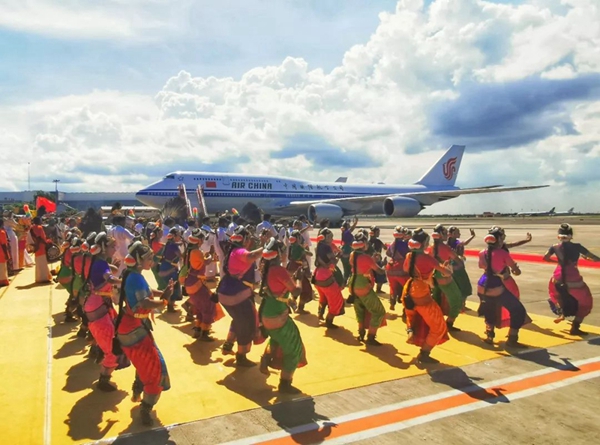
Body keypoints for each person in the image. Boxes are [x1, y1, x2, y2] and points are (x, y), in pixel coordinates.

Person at [116, 241, 173, 426]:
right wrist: (164, 301)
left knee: (146, 363)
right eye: (149, 258)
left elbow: (146, 292)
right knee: (156, 372)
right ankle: (145, 408)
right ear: (139, 260)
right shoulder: (135, 278)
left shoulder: (132, 274)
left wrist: (162, 293)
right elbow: (145, 303)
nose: (152, 261)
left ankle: (138, 388)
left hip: (132, 326)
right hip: (135, 330)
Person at [258, 238, 307, 394]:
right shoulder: (279, 270)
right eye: (284, 251)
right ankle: (285, 383)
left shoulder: (266, 268)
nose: (286, 253)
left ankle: (266, 358)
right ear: (278, 254)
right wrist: (299, 279)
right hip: (277, 316)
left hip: (267, 313)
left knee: (277, 338)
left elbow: (278, 286)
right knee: (294, 349)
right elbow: (296, 291)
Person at [402, 228, 452, 364]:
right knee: (439, 327)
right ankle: (424, 354)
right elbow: (447, 273)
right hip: (421, 293)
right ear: (424, 243)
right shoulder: (428, 259)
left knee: (413, 314)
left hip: (409, 289)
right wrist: (446, 268)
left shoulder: (409, 256)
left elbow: (406, 269)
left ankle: (410, 328)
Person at [218, 226, 264, 366]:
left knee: (238, 319)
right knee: (247, 325)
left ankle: (228, 344)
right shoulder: (239, 252)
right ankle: (241, 356)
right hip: (237, 295)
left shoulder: (232, 250)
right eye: (248, 238)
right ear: (244, 239)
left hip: (227, 292)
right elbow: (251, 256)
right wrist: (266, 247)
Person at [84, 232, 124, 392]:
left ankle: (98, 351)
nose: (115, 249)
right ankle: (103, 379)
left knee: (113, 339)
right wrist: (125, 281)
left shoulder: (100, 262)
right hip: (98, 308)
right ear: (103, 248)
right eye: (112, 246)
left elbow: (109, 272)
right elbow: (110, 279)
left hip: (99, 306)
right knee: (114, 349)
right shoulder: (100, 264)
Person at [477, 228, 530, 348]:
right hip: (495, 286)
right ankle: (512, 339)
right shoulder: (503, 253)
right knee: (518, 310)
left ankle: (490, 336)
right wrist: (514, 270)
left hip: (482, 285)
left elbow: (482, 266)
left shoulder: (482, 253)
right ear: (499, 239)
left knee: (489, 310)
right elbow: (516, 271)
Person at [543, 224, 600, 335]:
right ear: (571, 236)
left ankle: (561, 312)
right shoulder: (577, 247)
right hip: (573, 279)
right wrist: (588, 259)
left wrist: (559, 263)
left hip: (557, 277)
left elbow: (545, 258)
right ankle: (575, 327)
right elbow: (596, 258)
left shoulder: (554, 247)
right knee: (586, 302)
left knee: (557, 295)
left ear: (558, 236)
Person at [183, 229, 224, 340]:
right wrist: (210, 256)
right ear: (199, 240)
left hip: (190, 282)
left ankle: (198, 329)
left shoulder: (189, 251)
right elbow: (204, 263)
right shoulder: (196, 252)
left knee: (200, 307)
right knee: (208, 307)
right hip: (196, 283)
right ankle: (204, 333)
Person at [348, 232, 387, 345]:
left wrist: (371, 260)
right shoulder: (366, 258)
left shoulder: (352, 254)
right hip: (363, 285)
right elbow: (379, 271)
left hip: (353, 283)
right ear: (364, 243)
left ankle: (361, 334)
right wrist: (385, 265)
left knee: (360, 310)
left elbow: (360, 264)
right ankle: (371, 337)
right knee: (379, 312)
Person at [429, 225, 466, 332]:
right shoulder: (445, 248)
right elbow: (458, 261)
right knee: (457, 300)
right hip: (444, 276)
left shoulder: (432, 247)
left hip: (434, 276)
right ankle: (449, 323)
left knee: (436, 300)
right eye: (445, 233)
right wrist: (454, 266)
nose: (447, 235)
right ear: (441, 235)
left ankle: (435, 322)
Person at [313, 228, 345, 329]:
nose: (332, 239)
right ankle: (329, 322)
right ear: (326, 238)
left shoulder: (318, 246)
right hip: (326, 276)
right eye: (331, 237)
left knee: (323, 297)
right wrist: (338, 255)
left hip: (317, 274)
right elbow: (333, 262)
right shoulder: (327, 247)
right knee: (336, 301)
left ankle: (320, 314)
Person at [286, 230, 314, 314]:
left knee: (295, 287)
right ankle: (300, 308)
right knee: (306, 289)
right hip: (299, 269)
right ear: (298, 238)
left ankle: (292, 301)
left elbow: (290, 257)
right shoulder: (299, 247)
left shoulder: (291, 247)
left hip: (291, 267)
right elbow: (309, 254)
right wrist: (306, 250)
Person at [158, 227, 183, 312]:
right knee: (174, 286)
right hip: (170, 268)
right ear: (174, 236)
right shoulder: (174, 246)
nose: (180, 237)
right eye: (179, 235)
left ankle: (169, 303)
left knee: (169, 285)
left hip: (165, 266)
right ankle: (170, 306)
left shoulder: (169, 244)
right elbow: (181, 256)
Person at [386, 226, 410, 310]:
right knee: (406, 288)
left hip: (391, 266)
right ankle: (405, 308)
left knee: (393, 287)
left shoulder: (392, 244)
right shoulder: (405, 245)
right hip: (401, 267)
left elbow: (388, 253)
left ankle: (392, 304)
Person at [29, 216, 51, 283]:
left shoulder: (31, 228)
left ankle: (39, 277)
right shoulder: (39, 227)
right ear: (38, 221)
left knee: (38, 262)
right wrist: (46, 243)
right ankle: (43, 278)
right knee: (42, 262)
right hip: (41, 246)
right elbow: (40, 238)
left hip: (36, 247)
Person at [340, 217, 358, 284]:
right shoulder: (346, 233)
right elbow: (351, 229)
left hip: (345, 249)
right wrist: (355, 223)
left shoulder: (344, 233)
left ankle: (344, 283)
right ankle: (351, 283)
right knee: (350, 268)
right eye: (348, 225)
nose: (349, 226)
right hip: (348, 250)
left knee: (346, 269)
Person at [0, 220, 10, 287]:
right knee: (2, 267)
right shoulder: (2, 232)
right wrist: (7, 254)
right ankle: (3, 281)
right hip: (1, 252)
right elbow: (4, 245)